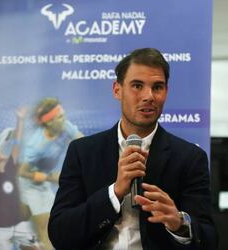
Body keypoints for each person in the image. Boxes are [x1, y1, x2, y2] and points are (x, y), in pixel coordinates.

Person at [48, 48, 217, 249]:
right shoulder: (83, 152)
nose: (148, 96)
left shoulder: (189, 158)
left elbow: (209, 240)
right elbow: (60, 234)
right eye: (137, 85)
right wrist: (114, 193)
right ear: (117, 90)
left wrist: (179, 224)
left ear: (166, 92)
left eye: (157, 87)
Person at [18, 98, 83, 250]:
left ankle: (24, 239)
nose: (64, 119)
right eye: (60, 117)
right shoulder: (36, 145)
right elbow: (21, 171)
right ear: (48, 122)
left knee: (24, 217)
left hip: (45, 180)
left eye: (63, 115)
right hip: (31, 183)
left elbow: (83, 142)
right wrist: (48, 177)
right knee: (47, 228)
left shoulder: (64, 126)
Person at [0, 108, 40, 250]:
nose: (3, 150)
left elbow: (17, 142)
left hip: (20, 223)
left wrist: (20, 120)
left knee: (36, 248)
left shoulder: (11, 166)